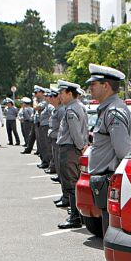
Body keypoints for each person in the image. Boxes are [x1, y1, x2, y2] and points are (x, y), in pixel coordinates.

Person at [85, 63, 131, 261]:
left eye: (94, 84)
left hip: (111, 180)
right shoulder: (108, 110)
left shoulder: (114, 112)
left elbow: (123, 152)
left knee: (114, 235)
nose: (90, 88)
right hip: (105, 181)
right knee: (110, 233)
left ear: (106, 86)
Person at [55, 79, 89, 230]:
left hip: (70, 149)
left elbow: (75, 132)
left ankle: (75, 217)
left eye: (62, 93)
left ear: (69, 93)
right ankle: (79, 215)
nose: (60, 96)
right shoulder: (79, 106)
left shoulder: (71, 110)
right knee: (74, 181)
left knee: (70, 183)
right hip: (74, 149)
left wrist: (81, 147)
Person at [35, 87, 54, 170]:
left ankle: (48, 163)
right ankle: (46, 162)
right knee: (43, 146)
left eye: (47, 96)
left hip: (47, 127)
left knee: (47, 147)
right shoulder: (47, 105)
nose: (45, 97)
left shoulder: (50, 106)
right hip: (43, 126)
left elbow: (52, 117)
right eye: (45, 96)